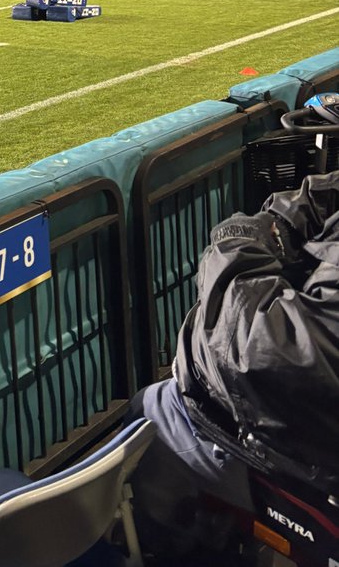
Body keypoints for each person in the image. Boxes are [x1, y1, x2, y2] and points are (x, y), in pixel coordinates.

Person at [128, 171, 339, 556]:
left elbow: (262, 347)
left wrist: (237, 240)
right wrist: (280, 223)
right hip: (294, 419)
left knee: (148, 412)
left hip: (296, 449)